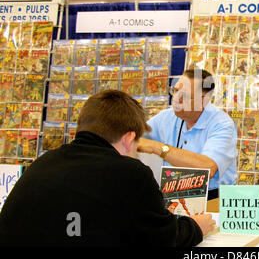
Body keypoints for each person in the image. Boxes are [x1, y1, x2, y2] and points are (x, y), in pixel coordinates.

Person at [0, 90, 215, 246]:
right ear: (129, 138)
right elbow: (165, 239)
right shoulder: (130, 173)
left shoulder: (43, 163)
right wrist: (196, 226)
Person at [138, 68, 238, 200]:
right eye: (175, 90)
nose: (175, 99)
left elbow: (207, 168)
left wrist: (158, 148)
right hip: (173, 195)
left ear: (204, 100)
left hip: (213, 199)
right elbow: (134, 139)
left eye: (184, 96)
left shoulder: (222, 124)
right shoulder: (166, 117)